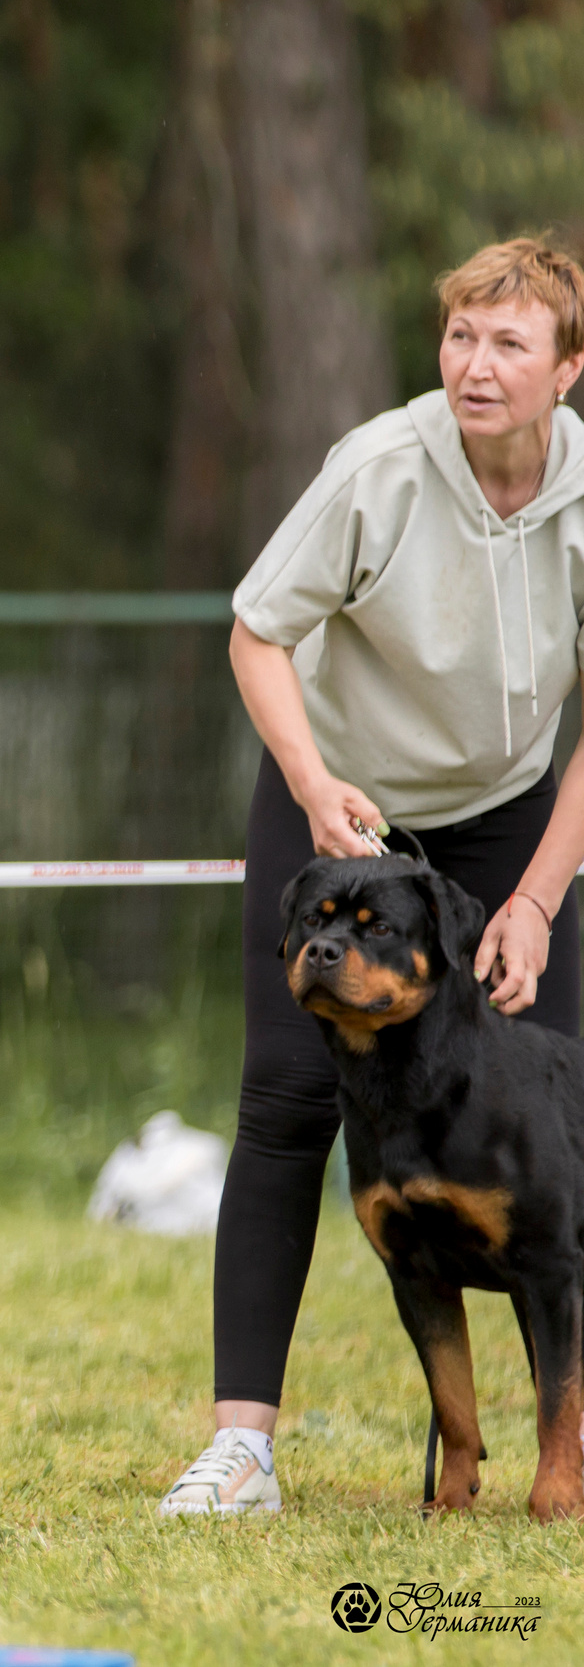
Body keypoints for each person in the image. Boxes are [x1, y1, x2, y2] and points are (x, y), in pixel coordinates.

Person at [161, 237, 584, 1516]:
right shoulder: (377, 467)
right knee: (288, 1100)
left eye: (509, 343)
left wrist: (537, 899)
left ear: (567, 370)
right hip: (338, 794)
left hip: (510, 812)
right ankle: (243, 1449)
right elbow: (256, 631)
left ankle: (562, 1449)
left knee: (561, 1100)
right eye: (460, 335)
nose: (474, 363)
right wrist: (306, 788)